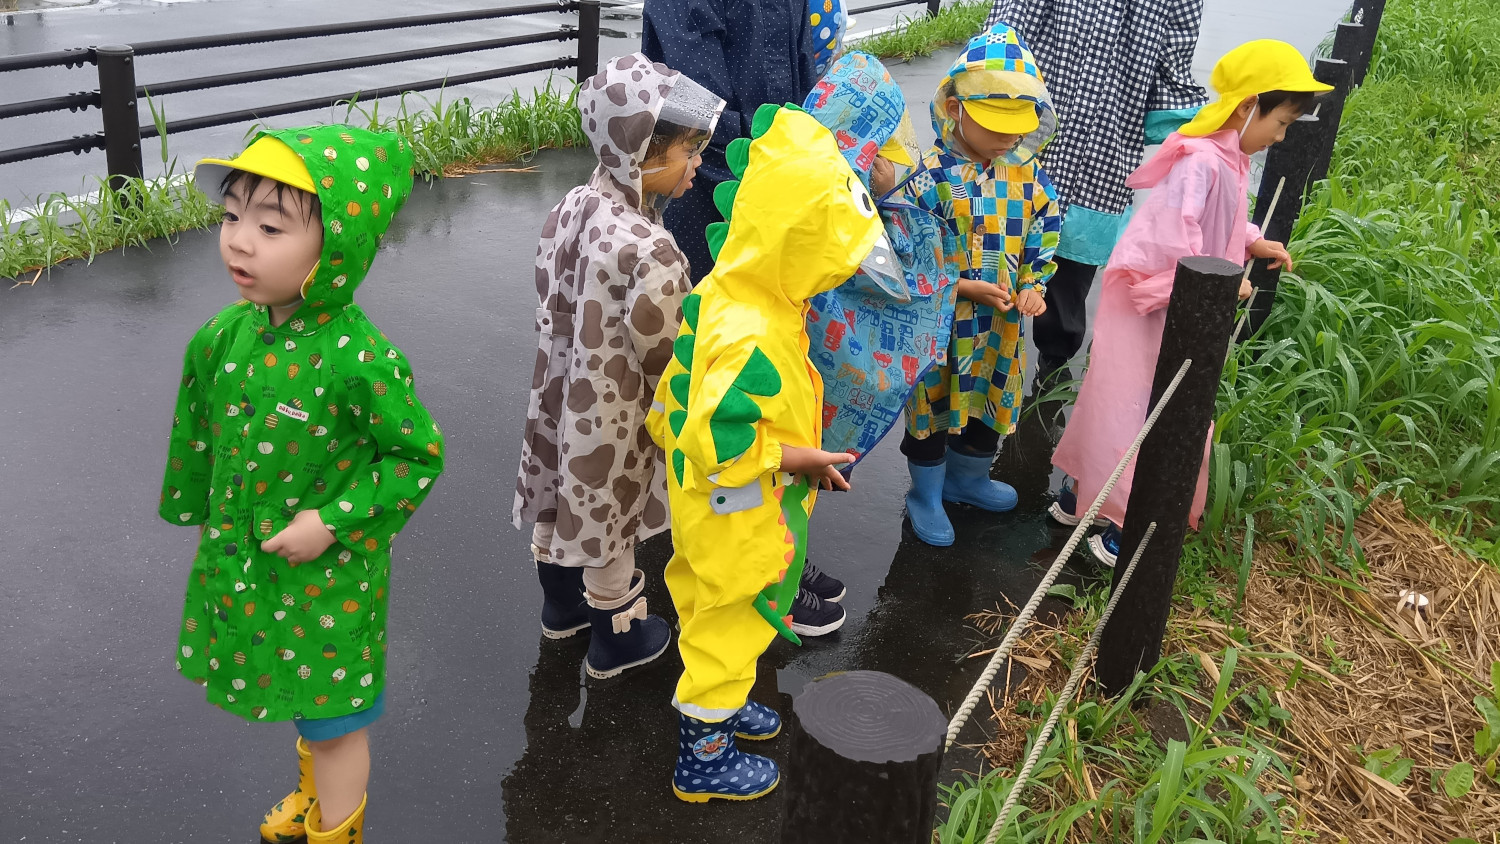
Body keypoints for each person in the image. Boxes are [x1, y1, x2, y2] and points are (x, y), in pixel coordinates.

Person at [161, 125, 442, 844]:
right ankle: (311, 795)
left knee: (335, 716)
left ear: (335, 250)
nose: (239, 241)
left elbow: (415, 458)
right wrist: (201, 513)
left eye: (271, 226)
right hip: (256, 560)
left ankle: (338, 831)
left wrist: (334, 521)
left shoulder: (360, 360)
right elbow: (199, 428)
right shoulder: (225, 334)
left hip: (331, 576)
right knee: (296, 692)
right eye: (232, 217)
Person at [646, 102, 903, 802]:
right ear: (790, 243)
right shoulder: (752, 326)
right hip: (736, 511)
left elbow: (669, 406)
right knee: (723, 629)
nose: (830, 280)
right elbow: (712, 434)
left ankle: (723, 710)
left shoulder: (741, 292)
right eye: (825, 264)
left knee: (728, 613)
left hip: (725, 509)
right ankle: (703, 753)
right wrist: (798, 459)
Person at [1049, 39, 1328, 566]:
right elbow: (1168, 239)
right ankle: (1115, 525)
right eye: (1282, 122)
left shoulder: (1230, 154)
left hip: (1178, 303)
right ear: (1248, 107)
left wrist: (1249, 238)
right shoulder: (1202, 161)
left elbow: (1214, 220)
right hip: (1154, 304)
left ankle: (1080, 497)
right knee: (1137, 408)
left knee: (1129, 402)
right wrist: (1219, 282)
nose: (1281, 135)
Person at [512, 53, 724, 679]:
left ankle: (561, 609)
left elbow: (547, 280)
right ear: (643, 154)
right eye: (688, 152)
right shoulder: (651, 248)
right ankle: (617, 638)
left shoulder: (577, 203)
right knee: (610, 512)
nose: (697, 166)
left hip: (560, 384)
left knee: (560, 492)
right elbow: (665, 352)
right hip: (614, 408)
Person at [799, 50, 957, 615]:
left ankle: (786, 558)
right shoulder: (824, 211)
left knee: (794, 475)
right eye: (884, 143)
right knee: (782, 469)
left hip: (807, 381)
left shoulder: (836, 190)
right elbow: (895, 279)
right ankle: (772, 581)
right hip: (794, 374)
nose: (896, 155)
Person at [986, 0, 1209, 396]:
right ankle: (983, 358)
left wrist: (1194, 144)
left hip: (1102, 148)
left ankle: (1052, 370)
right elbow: (1006, 26)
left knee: (1070, 279)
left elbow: (1173, 70)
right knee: (993, 251)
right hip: (1023, 128)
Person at [899, 22, 1061, 547]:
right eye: (995, 127)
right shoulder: (929, 178)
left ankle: (968, 479)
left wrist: (1034, 282)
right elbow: (908, 253)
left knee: (989, 400)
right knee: (935, 404)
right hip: (941, 328)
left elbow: (1045, 229)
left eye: (1017, 128)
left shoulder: (1028, 177)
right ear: (954, 110)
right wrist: (960, 287)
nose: (1008, 139)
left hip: (1001, 327)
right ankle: (925, 492)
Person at [641, 0, 818, 286]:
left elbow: (801, 64)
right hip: (704, 171)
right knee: (700, 299)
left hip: (779, 164)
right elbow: (697, 99)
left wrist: (806, 133)